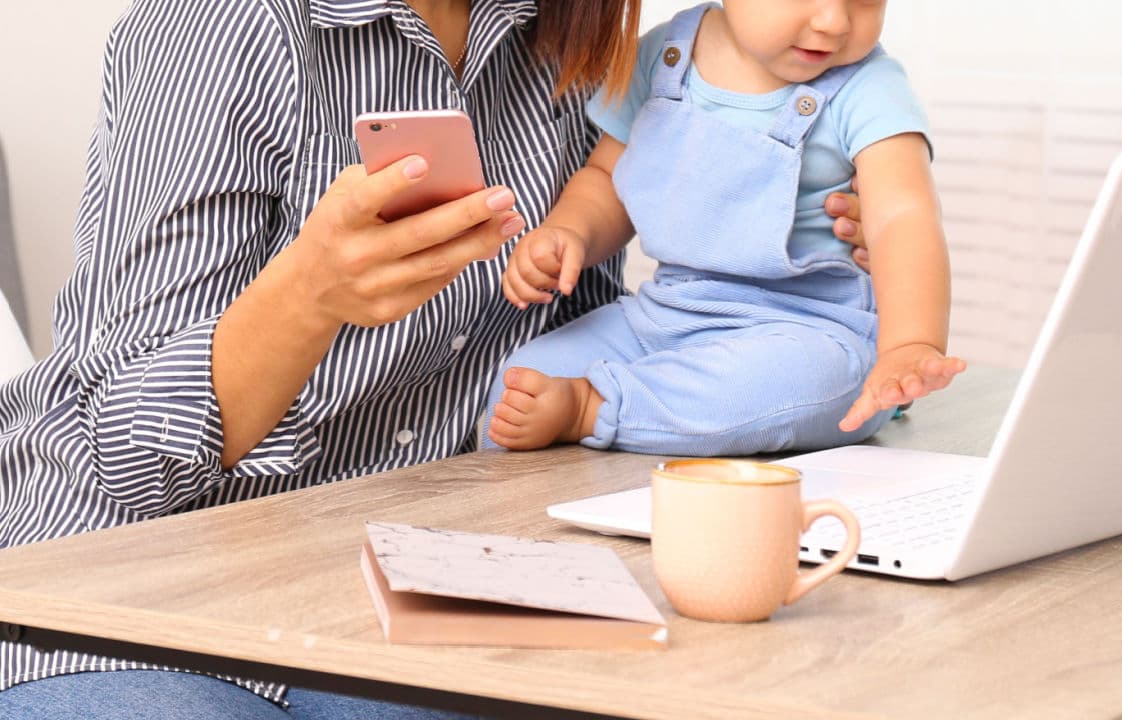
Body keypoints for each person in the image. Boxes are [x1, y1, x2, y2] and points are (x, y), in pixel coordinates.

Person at [0, 1, 870, 716]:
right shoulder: (227, 28)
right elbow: (121, 441)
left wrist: (795, 239)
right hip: (135, 579)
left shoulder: (566, 35)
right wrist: (307, 298)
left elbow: (588, 320)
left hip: (411, 565)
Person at [484, 0, 965, 456]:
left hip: (809, 329)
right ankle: (626, 419)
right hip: (665, 315)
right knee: (523, 377)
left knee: (815, 381)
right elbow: (608, 177)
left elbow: (904, 218)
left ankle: (597, 407)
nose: (835, 22)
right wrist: (571, 233)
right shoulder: (663, 55)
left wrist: (908, 345)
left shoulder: (870, 87)